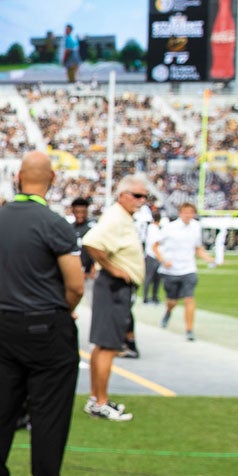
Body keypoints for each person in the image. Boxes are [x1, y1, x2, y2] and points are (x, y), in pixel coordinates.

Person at [0, 152, 99, 476]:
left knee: (2, 409)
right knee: (49, 417)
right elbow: (76, 285)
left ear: (18, 177)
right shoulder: (54, 223)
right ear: (53, 178)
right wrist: (56, 307)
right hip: (47, 327)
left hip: (8, 323)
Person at [81, 175, 148, 422]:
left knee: (102, 346)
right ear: (123, 195)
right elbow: (92, 242)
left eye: (145, 197)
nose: (142, 201)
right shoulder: (116, 217)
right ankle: (100, 402)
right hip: (114, 286)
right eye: (138, 196)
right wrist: (112, 269)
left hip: (113, 287)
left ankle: (96, 399)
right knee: (108, 346)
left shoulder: (122, 217)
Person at [153, 202, 213, 341]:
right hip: (171, 270)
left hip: (188, 269)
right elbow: (155, 245)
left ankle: (189, 330)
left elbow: (197, 248)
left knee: (189, 298)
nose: (188, 215)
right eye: (185, 212)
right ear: (180, 213)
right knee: (172, 301)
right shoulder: (170, 228)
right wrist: (163, 260)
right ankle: (168, 312)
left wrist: (208, 259)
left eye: (191, 212)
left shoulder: (196, 227)